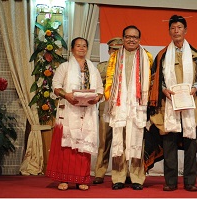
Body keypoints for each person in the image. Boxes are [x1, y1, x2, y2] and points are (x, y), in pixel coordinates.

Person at [148, 15, 197, 192]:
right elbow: (155, 80)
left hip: (191, 103)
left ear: (185, 30)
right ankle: (170, 181)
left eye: (179, 27)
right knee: (169, 142)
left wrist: (196, 88)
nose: (176, 31)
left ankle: (190, 181)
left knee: (190, 141)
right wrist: (164, 89)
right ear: (169, 31)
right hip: (169, 104)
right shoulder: (162, 55)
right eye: (173, 28)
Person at [46, 37, 104, 191]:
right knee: (67, 146)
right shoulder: (64, 67)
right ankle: (64, 179)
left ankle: (82, 179)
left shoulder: (93, 69)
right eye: (78, 46)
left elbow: (100, 90)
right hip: (69, 111)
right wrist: (67, 95)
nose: (82, 48)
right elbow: (56, 87)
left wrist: (97, 98)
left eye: (84, 46)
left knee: (83, 146)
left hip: (87, 112)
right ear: (72, 49)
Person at [104, 25, 153, 190]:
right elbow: (109, 82)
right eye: (128, 36)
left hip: (138, 106)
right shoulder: (115, 57)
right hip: (120, 105)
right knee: (119, 140)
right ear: (123, 38)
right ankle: (118, 177)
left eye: (135, 37)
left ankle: (137, 178)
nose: (131, 39)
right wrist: (111, 102)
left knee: (138, 141)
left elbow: (151, 82)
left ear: (139, 39)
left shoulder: (147, 57)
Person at [93, 37, 123, 184]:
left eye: (118, 50)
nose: (115, 53)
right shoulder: (102, 67)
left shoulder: (128, 65)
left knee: (123, 141)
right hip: (106, 106)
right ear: (109, 50)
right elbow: (97, 84)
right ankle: (99, 172)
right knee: (104, 141)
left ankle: (123, 173)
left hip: (123, 107)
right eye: (113, 50)